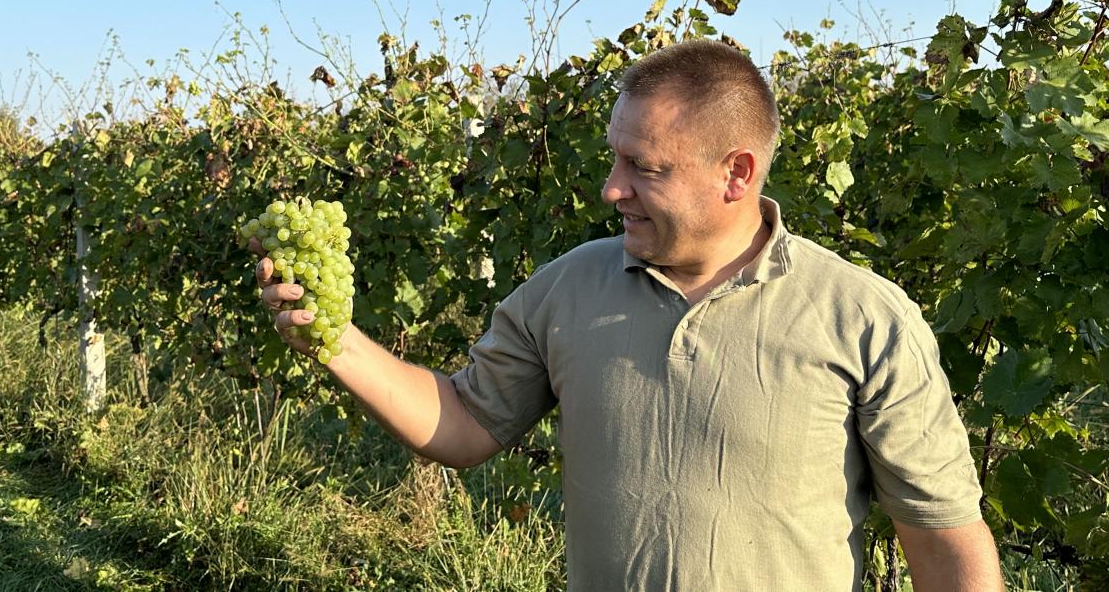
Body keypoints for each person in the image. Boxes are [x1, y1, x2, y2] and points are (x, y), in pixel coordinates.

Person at [257, 39, 1003, 591]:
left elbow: (943, 544)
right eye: (614, 160)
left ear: (736, 173)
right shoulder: (568, 289)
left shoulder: (861, 319)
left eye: (644, 169)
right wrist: (334, 341)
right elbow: (461, 423)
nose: (612, 190)